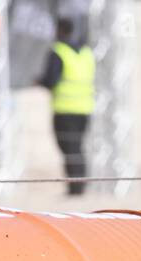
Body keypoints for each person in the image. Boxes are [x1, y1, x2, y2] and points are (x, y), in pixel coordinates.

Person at [37, 18, 94, 196]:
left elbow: (51, 80)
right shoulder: (86, 53)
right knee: (77, 147)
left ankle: (75, 188)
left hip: (65, 109)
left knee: (69, 149)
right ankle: (80, 185)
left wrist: (39, 81)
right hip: (85, 108)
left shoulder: (59, 52)